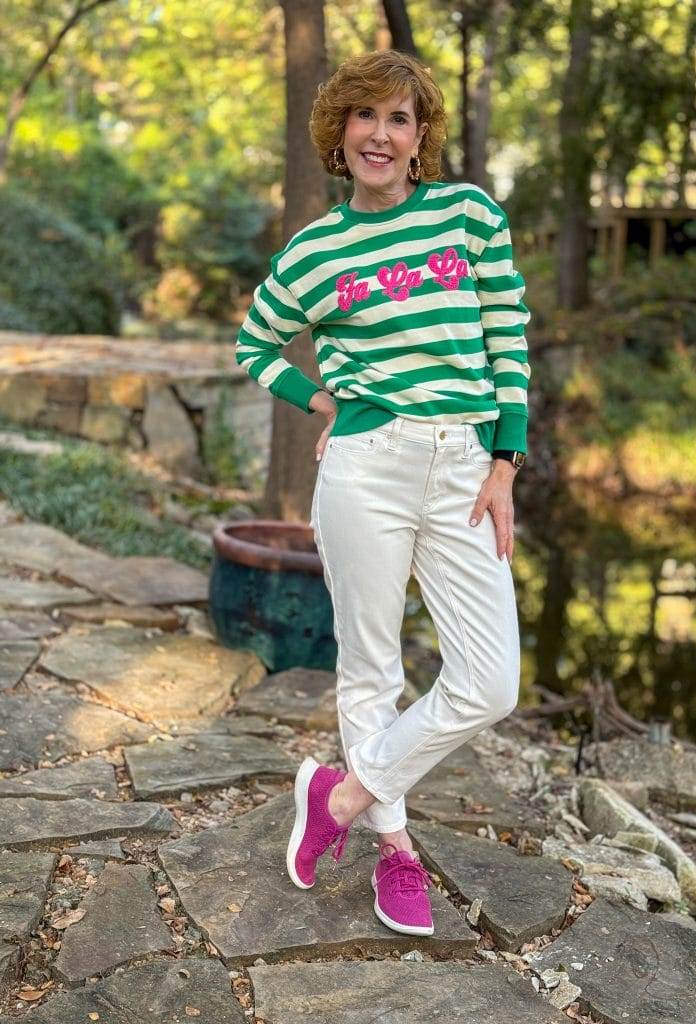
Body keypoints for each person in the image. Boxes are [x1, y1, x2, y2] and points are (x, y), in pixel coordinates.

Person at [235, 49, 531, 938]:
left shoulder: (469, 215)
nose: (380, 133)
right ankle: (395, 851)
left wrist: (506, 462)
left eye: (399, 119)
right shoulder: (316, 249)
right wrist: (324, 398)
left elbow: (507, 334)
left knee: (492, 683)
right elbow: (255, 346)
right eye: (365, 116)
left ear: (419, 137)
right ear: (341, 133)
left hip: (463, 467)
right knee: (371, 665)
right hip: (366, 465)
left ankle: (345, 793)